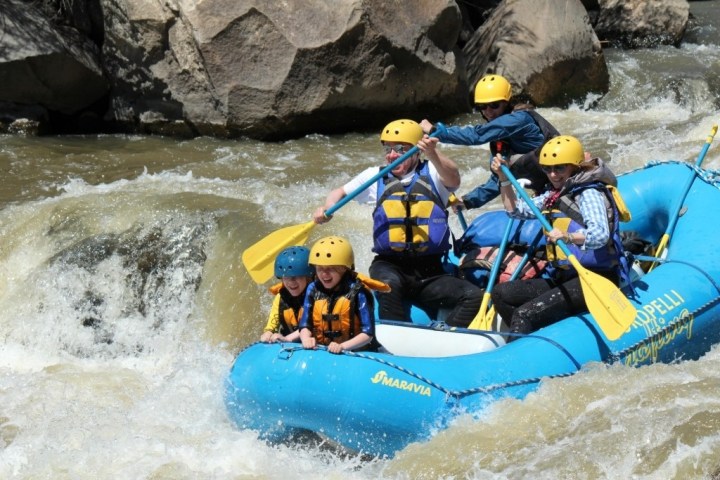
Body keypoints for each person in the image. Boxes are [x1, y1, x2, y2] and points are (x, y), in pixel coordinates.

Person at [312, 119, 483, 328]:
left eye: (400, 149)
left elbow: (454, 179)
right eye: (388, 149)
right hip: (389, 265)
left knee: (473, 296)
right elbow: (339, 192)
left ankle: (444, 336)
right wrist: (327, 209)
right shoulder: (376, 175)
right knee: (389, 286)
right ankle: (395, 339)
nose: (392, 155)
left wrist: (433, 153)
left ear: (416, 151)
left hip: (430, 271)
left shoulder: (434, 172)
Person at [488, 135, 631, 338]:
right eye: (547, 169)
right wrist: (504, 180)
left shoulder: (588, 193)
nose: (553, 175)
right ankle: (537, 338)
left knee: (524, 314)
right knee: (502, 294)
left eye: (560, 168)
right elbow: (516, 211)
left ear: (574, 166)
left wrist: (568, 236)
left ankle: (522, 352)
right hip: (564, 277)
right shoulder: (553, 195)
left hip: (596, 277)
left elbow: (600, 235)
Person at [420, 73, 560, 210]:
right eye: (482, 106)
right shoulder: (499, 137)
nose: (488, 111)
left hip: (564, 185)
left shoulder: (518, 120)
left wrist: (435, 130)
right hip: (547, 192)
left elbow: (476, 135)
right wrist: (469, 201)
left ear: (507, 103)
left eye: (494, 105)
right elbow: (499, 178)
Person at [298, 235, 389, 354]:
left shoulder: (358, 292)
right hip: (325, 350)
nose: (324, 274)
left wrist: (342, 346)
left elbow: (368, 334)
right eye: (320, 269)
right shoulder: (313, 289)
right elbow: (305, 324)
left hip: (360, 352)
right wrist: (306, 339)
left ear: (344, 269)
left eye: (331, 269)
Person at [259, 246, 313, 343]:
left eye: (296, 276)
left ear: (308, 277)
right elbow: (272, 324)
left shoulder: (317, 295)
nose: (291, 282)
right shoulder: (280, 298)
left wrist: (287, 339)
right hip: (292, 345)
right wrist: (268, 333)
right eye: (286, 277)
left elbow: (312, 325)